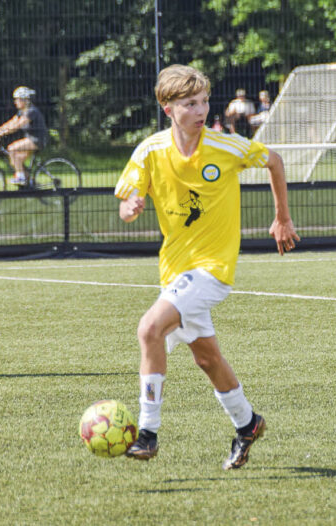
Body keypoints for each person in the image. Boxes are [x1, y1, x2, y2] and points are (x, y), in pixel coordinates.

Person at [114, 64, 300, 469]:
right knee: (207, 358)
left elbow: (275, 161)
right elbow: (126, 204)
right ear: (167, 108)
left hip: (213, 269)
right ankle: (247, 423)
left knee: (149, 328)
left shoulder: (225, 146)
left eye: (203, 102)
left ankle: (147, 432)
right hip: (174, 272)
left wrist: (282, 217)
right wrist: (130, 207)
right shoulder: (149, 151)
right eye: (189, 104)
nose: (200, 110)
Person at [0, 86, 48, 185]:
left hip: (37, 140)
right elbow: (11, 123)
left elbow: (17, 125)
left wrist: (1, 133)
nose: (15, 102)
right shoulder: (22, 111)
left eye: (17, 99)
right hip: (31, 139)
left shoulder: (31, 111)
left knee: (12, 149)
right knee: (16, 160)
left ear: (24, 100)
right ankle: (29, 182)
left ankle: (21, 178)